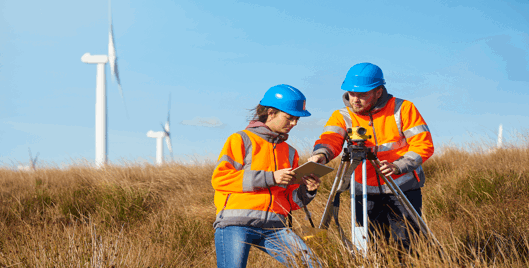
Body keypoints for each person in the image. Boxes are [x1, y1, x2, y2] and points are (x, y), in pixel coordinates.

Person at [308, 62, 434, 249]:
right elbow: (330, 140)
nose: (355, 100)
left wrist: (398, 166)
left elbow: (423, 144)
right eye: (352, 94)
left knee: (407, 244)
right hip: (363, 191)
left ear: (378, 91)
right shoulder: (342, 116)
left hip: (402, 187)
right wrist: (320, 155)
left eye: (362, 95)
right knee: (368, 246)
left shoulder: (403, 109)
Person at [212, 84, 322, 268]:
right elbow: (220, 178)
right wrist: (270, 178)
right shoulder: (241, 139)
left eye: (297, 119)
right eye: (290, 118)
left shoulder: (290, 152)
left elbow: (291, 201)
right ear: (271, 113)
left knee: (314, 265)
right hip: (235, 224)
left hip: (275, 227)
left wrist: (308, 191)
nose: (294, 123)